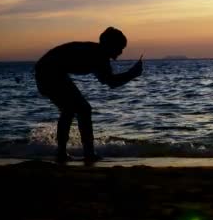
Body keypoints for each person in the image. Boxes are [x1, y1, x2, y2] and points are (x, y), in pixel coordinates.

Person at [35, 27, 143, 163]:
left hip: (53, 71)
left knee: (78, 109)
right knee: (75, 109)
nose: (121, 52)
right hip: (47, 71)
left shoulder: (99, 54)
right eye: (120, 47)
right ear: (110, 45)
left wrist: (131, 74)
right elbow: (111, 82)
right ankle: (77, 152)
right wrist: (131, 74)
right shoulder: (98, 55)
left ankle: (79, 152)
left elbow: (109, 81)